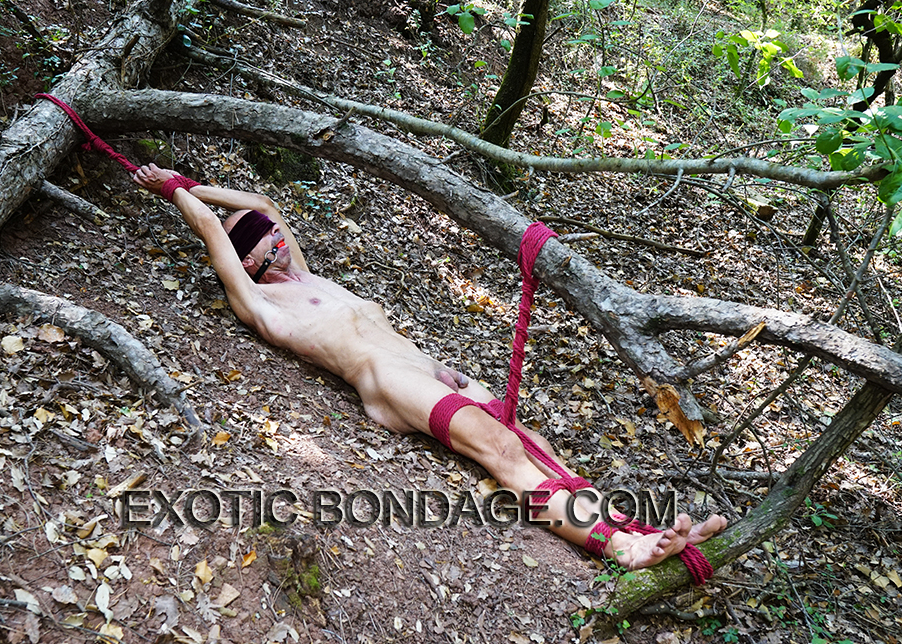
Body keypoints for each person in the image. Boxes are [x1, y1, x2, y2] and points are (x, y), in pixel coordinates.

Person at [133, 163, 727, 572]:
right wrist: (174, 189)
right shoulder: (261, 303)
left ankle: (634, 529)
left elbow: (261, 206)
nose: (279, 243)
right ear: (247, 262)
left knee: (535, 445)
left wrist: (203, 185)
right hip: (391, 386)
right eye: (267, 245)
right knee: (502, 450)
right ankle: (619, 549)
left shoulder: (308, 277)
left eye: (278, 239)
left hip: (433, 370)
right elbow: (211, 226)